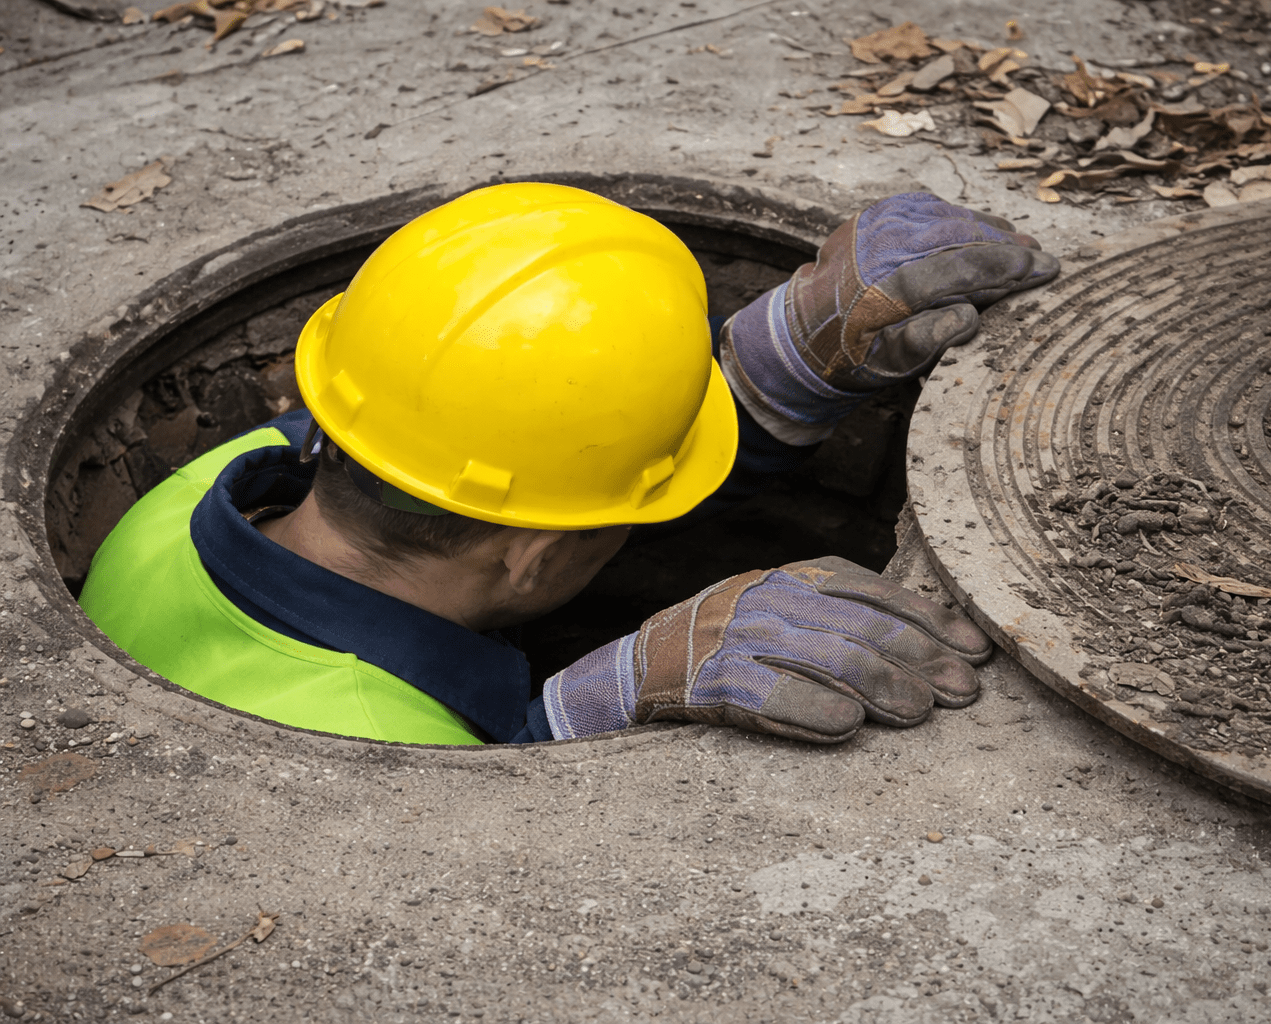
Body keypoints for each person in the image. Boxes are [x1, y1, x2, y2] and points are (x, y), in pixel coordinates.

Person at [79, 183, 1058, 746]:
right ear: (538, 558)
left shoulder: (205, 488)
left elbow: (497, 428)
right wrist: (572, 720)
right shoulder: (384, 735)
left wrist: (772, 370)